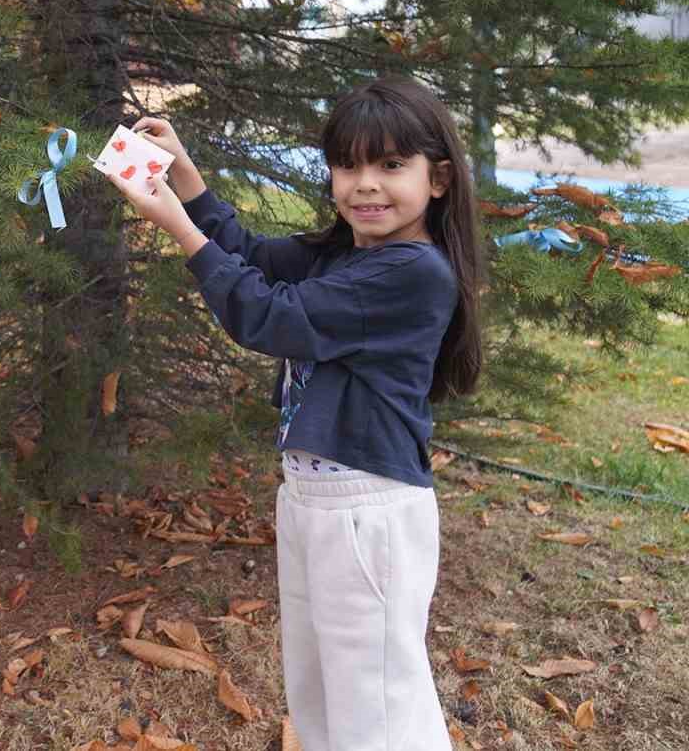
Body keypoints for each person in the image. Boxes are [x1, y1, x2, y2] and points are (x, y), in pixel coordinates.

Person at [109, 78, 482, 751]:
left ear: (439, 179)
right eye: (349, 165)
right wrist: (189, 182)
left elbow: (270, 316)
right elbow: (250, 256)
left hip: (368, 511)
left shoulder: (413, 272)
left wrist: (178, 228)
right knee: (316, 695)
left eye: (391, 166)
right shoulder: (348, 252)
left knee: (378, 711)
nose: (366, 184)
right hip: (312, 500)